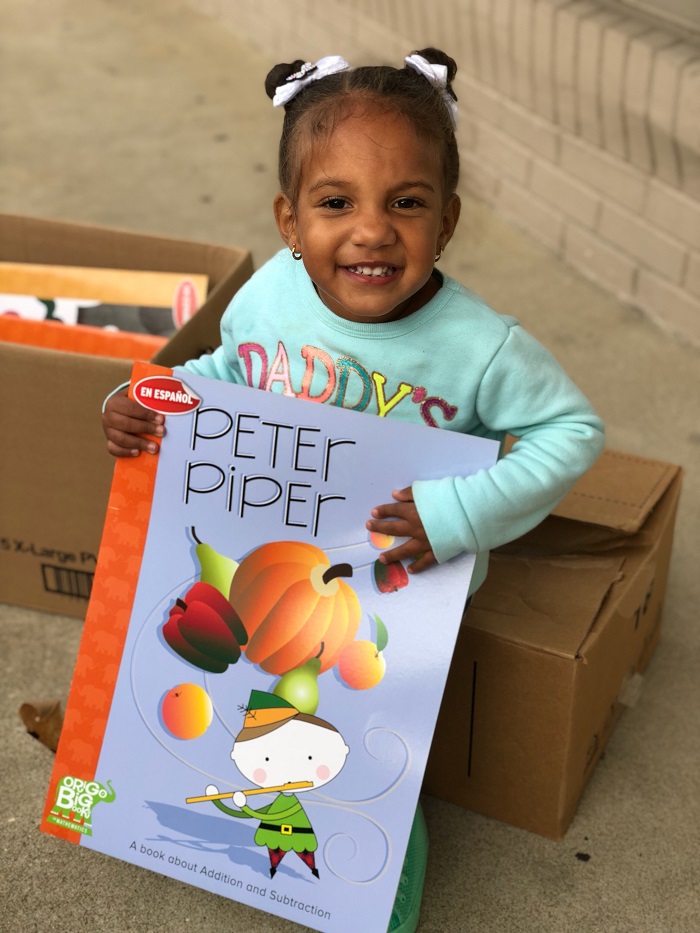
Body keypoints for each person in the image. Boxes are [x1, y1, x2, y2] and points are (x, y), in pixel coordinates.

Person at [102, 48, 605, 932]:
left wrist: (458, 512)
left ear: (446, 221)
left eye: (405, 202)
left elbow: (574, 431)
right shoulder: (269, 292)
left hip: (391, 594)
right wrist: (142, 399)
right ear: (290, 221)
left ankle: (371, 874)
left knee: (355, 754)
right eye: (337, 203)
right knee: (218, 698)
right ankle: (204, 810)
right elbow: (222, 369)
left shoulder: (479, 347)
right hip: (263, 560)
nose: (372, 231)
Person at [200, 689, 350, 880]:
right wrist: (217, 801)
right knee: (276, 857)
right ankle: (282, 870)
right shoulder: (283, 800)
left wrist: (244, 805)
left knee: (303, 855)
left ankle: (310, 872)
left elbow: (267, 814)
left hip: (296, 834)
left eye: (309, 757)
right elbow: (244, 814)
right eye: (267, 759)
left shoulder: (288, 805)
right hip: (276, 837)